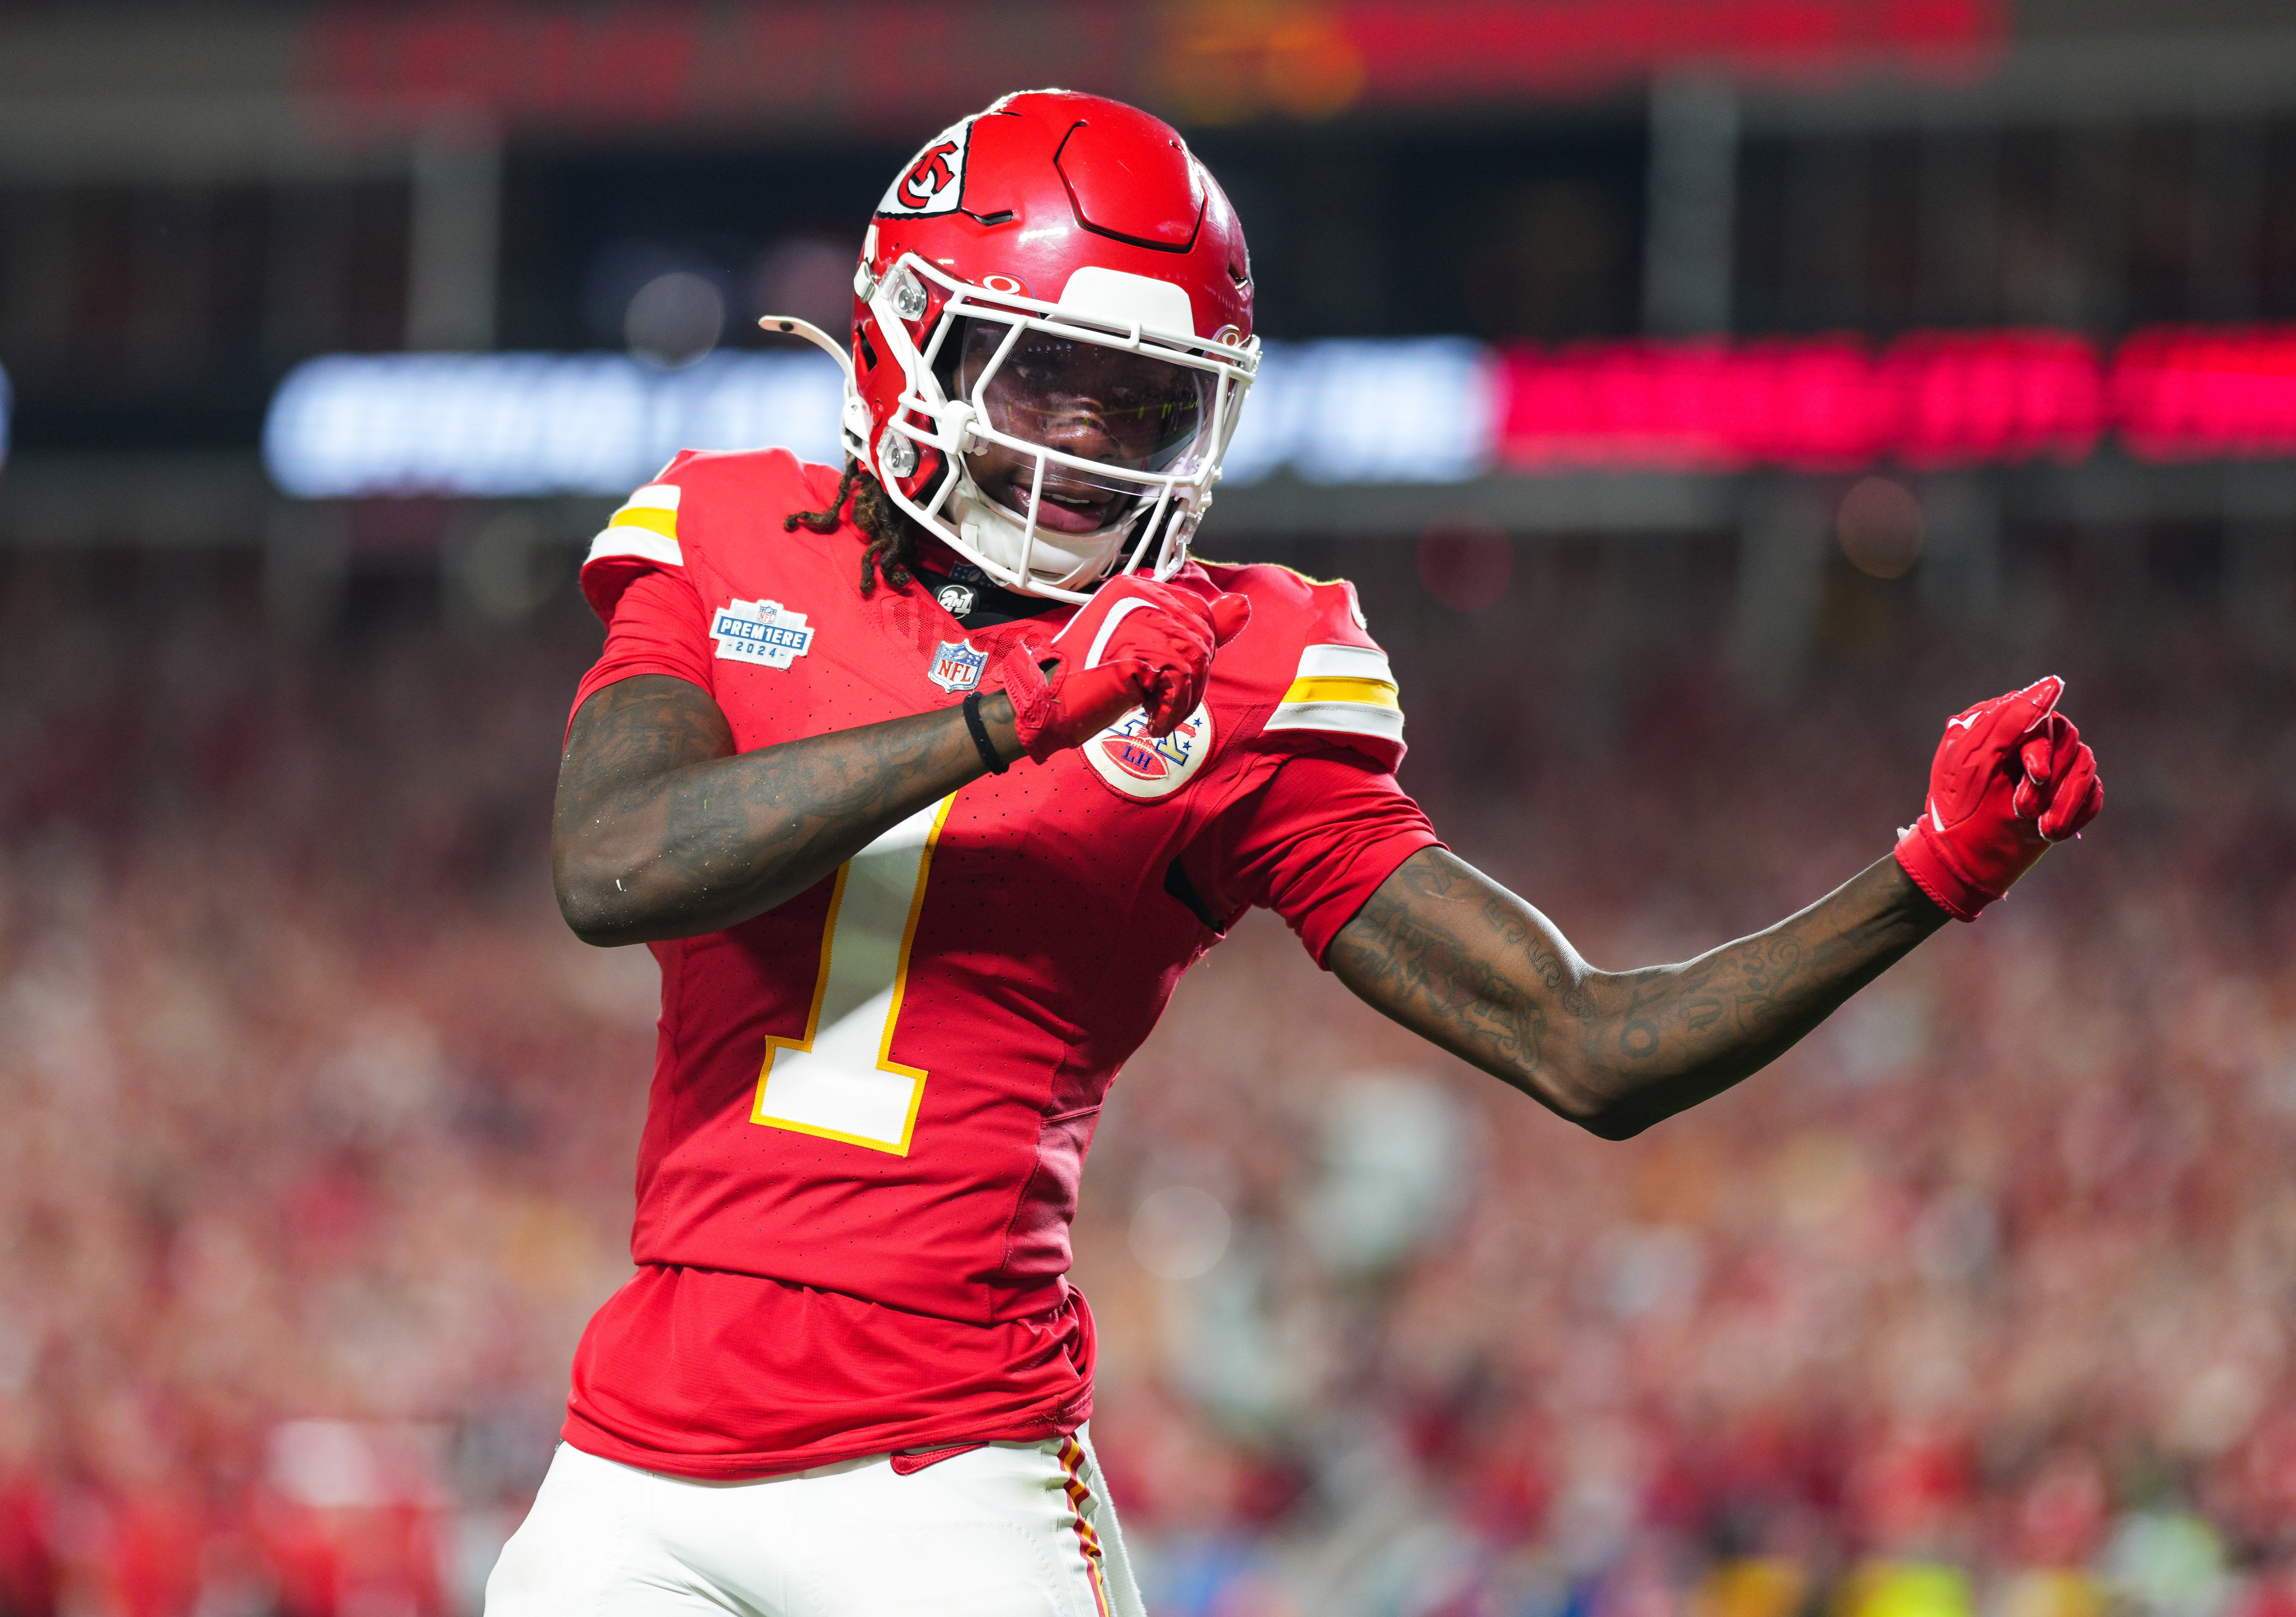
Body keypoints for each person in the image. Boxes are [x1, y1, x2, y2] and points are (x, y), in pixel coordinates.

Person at [486, 89, 2103, 1616]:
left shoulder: (1239, 664)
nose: (1099, 443)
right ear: (907, 343)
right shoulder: (728, 529)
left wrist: (1929, 874)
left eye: (1147, 402)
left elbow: (1589, 1045)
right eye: (1047, 377)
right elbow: (615, 864)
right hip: (637, 1461)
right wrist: (1005, 715)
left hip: (948, 1470)